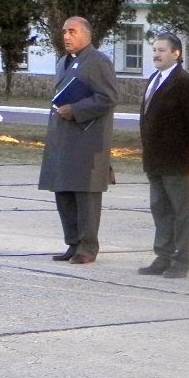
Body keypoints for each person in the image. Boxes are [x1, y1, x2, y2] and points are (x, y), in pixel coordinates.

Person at [38, 16, 119, 265]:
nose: (66, 36)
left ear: (86, 34)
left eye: (72, 31)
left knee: (85, 197)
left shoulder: (98, 62)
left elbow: (108, 97)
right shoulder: (64, 61)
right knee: (64, 193)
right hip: (63, 140)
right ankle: (73, 243)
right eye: (64, 31)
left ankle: (88, 247)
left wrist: (76, 109)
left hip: (87, 141)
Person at [137, 31, 189, 279]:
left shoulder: (186, 83)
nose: (156, 54)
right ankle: (162, 255)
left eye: (162, 50)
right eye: (154, 49)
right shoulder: (154, 79)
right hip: (155, 159)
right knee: (160, 209)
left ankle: (181, 259)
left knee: (181, 211)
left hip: (177, 160)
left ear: (176, 53)